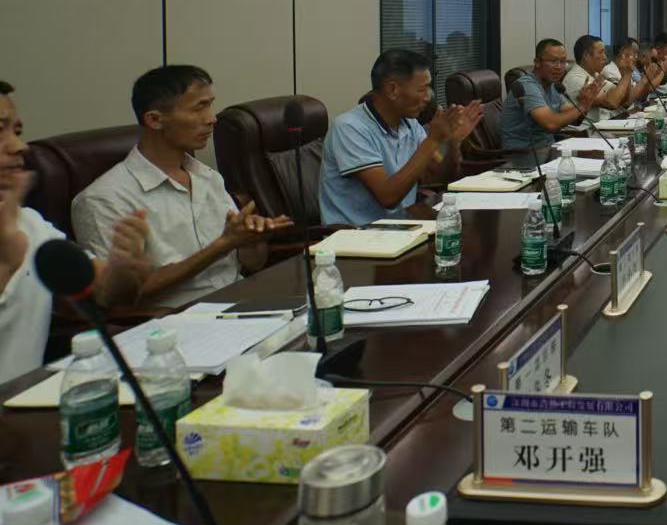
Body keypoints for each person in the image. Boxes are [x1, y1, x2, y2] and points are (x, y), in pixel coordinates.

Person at [73, 65, 293, 306]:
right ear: (155, 119)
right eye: (199, 108)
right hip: (175, 319)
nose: (211, 119)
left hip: (243, 302)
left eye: (210, 105)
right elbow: (118, 296)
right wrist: (222, 245)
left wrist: (251, 240)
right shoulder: (103, 198)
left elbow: (253, 264)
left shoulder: (208, 177)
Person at [2, 81, 151, 383]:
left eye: (16, 131)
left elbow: (104, 291)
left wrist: (123, 269)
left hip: (23, 405)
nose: (20, 146)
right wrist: (7, 262)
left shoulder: (29, 223)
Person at [321, 50, 483, 226]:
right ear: (393, 89)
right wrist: (433, 140)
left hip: (402, 228)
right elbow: (388, 197)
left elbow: (440, 178)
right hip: (357, 234)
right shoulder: (350, 128)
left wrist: (453, 142)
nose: (428, 97)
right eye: (422, 89)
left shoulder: (409, 124)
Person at [502, 40, 603, 153]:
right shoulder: (527, 86)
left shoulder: (553, 86)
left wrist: (587, 101)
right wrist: (582, 105)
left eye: (563, 61)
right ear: (537, 62)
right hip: (524, 154)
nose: (559, 67)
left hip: (548, 150)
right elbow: (551, 124)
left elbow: (575, 120)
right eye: (554, 61)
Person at [564, 35, 633, 121]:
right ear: (586, 55)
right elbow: (612, 103)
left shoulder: (595, 75)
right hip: (585, 128)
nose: (605, 57)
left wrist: (626, 72)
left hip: (601, 125)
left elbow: (623, 99)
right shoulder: (575, 78)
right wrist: (627, 74)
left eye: (605, 53)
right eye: (601, 53)